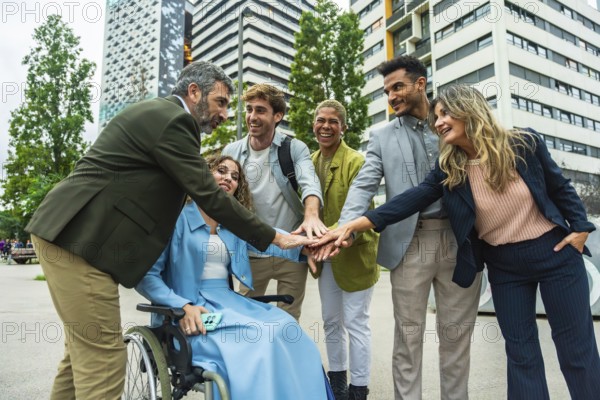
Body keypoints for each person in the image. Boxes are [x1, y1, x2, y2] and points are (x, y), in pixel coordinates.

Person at [25, 61, 312, 400]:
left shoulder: (159, 118)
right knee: (104, 363)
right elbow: (207, 194)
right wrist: (277, 235)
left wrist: (301, 244)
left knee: (79, 359)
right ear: (194, 92)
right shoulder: (174, 120)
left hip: (74, 235)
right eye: (220, 102)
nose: (224, 113)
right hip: (79, 241)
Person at [317, 84, 600, 399]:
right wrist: (356, 224)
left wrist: (581, 227)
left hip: (554, 254)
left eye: (445, 114)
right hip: (505, 266)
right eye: (436, 117)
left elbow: (559, 186)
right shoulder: (450, 166)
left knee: (576, 350)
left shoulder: (523, 144)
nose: (437, 122)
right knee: (522, 353)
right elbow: (412, 199)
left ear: (469, 110)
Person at [317, 56, 481, 400]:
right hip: (409, 243)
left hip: (458, 239)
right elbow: (363, 187)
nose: (391, 96)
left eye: (398, 87)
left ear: (420, 84)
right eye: (387, 91)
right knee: (408, 338)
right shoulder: (380, 136)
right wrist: (346, 227)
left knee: (455, 339)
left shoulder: (454, 123)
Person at [136, 155, 332, 400]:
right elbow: (147, 277)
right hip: (189, 310)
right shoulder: (174, 219)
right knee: (260, 338)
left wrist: (307, 246)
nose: (228, 177)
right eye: (221, 170)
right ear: (203, 175)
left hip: (229, 302)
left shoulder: (233, 225)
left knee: (288, 327)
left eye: (235, 176)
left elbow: (269, 239)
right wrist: (182, 306)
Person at [223, 83, 326, 320]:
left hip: (290, 252)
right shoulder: (232, 151)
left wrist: (311, 215)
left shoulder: (294, 148)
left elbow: (310, 183)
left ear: (277, 116)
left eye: (260, 110)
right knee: (245, 319)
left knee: (288, 320)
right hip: (250, 252)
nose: (252, 117)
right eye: (249, 109)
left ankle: (284, 357)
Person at [310, 100, 379, 400]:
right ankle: (337, 384)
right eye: (321, 120)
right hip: (326, 258)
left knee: (356, 322)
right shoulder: (310, 161)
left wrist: (329, 238)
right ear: (314, 124)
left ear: (344, 127)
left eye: (333, 121)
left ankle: (359, 388)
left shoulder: (356, 161)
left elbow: (356, 208)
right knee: (330, 320)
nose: (326, 126)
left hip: (355, 255)